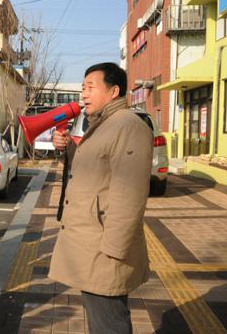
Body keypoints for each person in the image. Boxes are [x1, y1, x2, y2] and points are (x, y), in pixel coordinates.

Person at [49, 63, 152, 334]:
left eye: (91, 88)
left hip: (104, 249)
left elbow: (129, 194)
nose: (84, 94)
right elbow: (89, 167)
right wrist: (66, 146)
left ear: (114, 91)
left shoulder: (128, 126)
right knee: (102, 318)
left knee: (108, 323)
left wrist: (114, 251)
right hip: (91, 243)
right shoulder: (103, 125)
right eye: (82, 88)